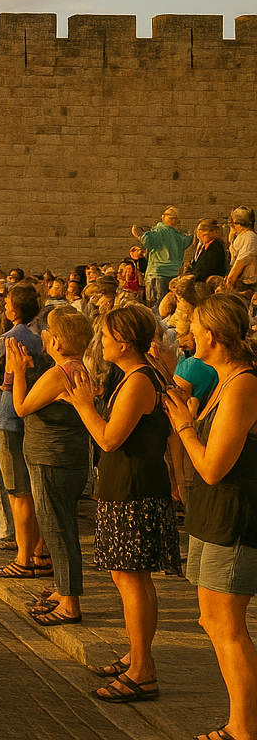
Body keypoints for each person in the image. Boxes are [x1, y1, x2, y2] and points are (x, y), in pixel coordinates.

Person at [61, 304, 180, 703]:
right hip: (127, 486)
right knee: (127, 578)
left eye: (107, 336)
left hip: (135, 490)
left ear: (125, 342)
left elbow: (110, 438)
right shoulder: (135, 374)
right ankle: (136, 654)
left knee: (132, 579)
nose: (102, 343)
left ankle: (143, 670)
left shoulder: (139, 380)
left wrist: (83, 405)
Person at [162, 293, 257, 740]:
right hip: (211, 513)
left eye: (193, 330)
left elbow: (214, 466)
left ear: (213, 336)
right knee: (210, 620)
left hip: (233, 516)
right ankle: (241, 721)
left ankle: (244, 727)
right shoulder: (223, 378)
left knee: (228, 625)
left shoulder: (243, 384)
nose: (186, 337)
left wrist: (184, 425)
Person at [9, 306, 93, 627]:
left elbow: (21, 407)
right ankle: (62, 589)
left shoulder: (61, 373)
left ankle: (70, 602)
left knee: (58, 528)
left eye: (46, 332)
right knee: (61, 525)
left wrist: (18, 369)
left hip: (52, 458)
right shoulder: (77, 367)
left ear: (55, 341)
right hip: (65, 457)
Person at [0, 284, 49, 576]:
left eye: (7, 302)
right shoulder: (40, 335)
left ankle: (24, 558)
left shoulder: (13, 336)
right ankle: (40, 550)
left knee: (18, 491)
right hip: (31, 414)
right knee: (33, 489)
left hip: (10, 415)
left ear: (14, 308)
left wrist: (5, 382)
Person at [226, 207, 257, 298]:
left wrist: (230, 281)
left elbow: (241, 261)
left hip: (245, 283)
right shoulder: (241, 235)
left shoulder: (249, 237)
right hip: (238, 281)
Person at [191, 218, 231, 286]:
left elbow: (206, 268)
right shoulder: (206, 247)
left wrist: (193, 279)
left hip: (209, 285)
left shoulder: (215, 247)